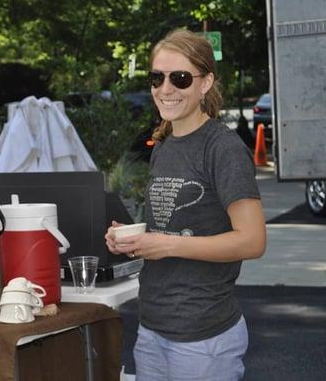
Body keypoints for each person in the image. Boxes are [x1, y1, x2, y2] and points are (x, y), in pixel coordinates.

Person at [105, 29, 266, 381]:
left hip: (203, 339)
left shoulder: (222, 149)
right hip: (151, 328)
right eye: (156, 78)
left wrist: (165, 244)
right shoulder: (164, 145)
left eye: (179, 78)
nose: (166, 89)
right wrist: (135, 240)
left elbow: (253, 241)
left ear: (205, 82)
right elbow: (172, 229)